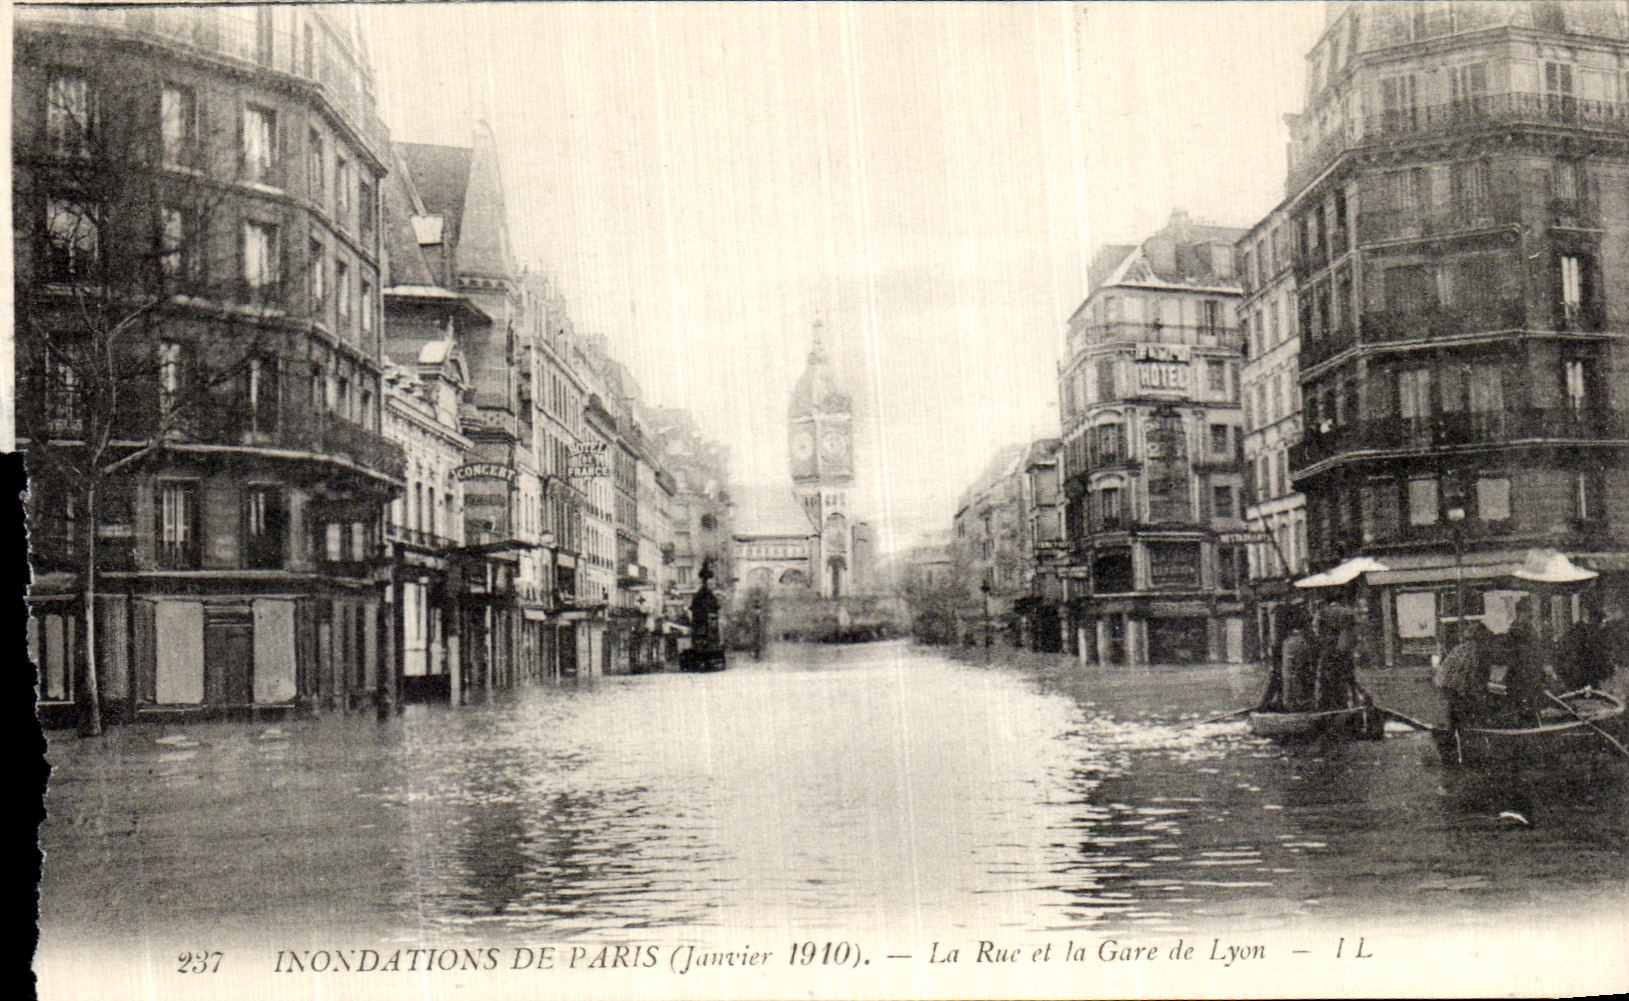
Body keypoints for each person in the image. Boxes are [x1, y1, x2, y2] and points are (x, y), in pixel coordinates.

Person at [1435, 620, 1494, 731]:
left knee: (1454, 714)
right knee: (1463, 713)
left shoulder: (1460, 648)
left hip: (1446, 684)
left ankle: (1455, 732)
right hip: (1456, 687)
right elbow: (1470, 677)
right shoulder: (1473, 650)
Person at [1259, 605, 1307, 710]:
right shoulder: (1278, 610)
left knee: (1278, 674)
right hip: (1279, 645)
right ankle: (1269, 704)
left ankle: (1266, 704)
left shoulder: (1273, 610)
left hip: (1278, 645)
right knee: (1282, 674)